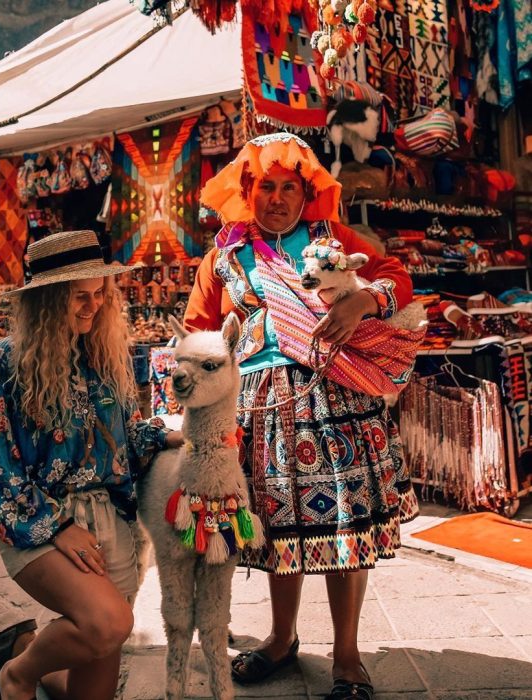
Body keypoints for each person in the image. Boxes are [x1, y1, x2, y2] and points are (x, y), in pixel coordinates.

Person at [184, 133, 419, 700]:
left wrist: (363, 301)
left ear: (306, 193)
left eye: (291, 187)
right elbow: (196, 332)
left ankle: (346, 655)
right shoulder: (223, 257)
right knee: (273, 528)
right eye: (267, 185)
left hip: (334, 398)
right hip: (260, 407)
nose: (279, 198)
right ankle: (281, 638)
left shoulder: (331, 238)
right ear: (248, 189)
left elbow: (398, 279)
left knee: (343, 527)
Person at [0, 230, 182, 700]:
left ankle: (29, 643)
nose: (92, 307)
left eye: (99, 295)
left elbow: (128, 440)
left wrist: (172, 436)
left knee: (92, 684)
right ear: (47, 303)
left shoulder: (105, 354)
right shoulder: (5, 361)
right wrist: (56, 526)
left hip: (111, 520)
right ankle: (18, 674)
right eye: (78, 298)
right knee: (108, 623)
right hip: (37, 522)